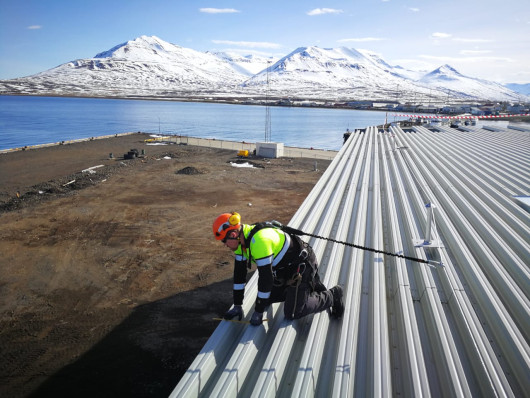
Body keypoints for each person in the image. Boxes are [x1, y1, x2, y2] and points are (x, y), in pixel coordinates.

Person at [213, 212, 344, 326]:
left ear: (234, 233)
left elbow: (266, 279)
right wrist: (237, 306)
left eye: (224, 241)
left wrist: (258, 312)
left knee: (292, 312)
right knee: (265, 300)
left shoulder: (259, 242)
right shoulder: (242, 243)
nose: (225, 245)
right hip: (285, 269)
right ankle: (306, 290)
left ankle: (333, 295)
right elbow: (239, 277)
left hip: (301, 267)